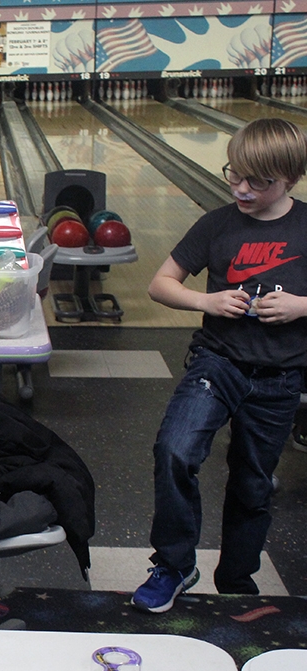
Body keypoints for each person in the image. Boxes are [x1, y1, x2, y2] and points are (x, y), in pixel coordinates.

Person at [132, 117, 307, 613]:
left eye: (259, 182)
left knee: (252, 485)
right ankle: (173, 564)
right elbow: (161, 283)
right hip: (217, 364)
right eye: (235, 175)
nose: (242, 189)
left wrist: (301, 306)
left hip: (279, 378)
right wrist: (205, 301)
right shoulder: (217, 224)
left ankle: (236, 579)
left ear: (291, 179)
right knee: (174, 449)